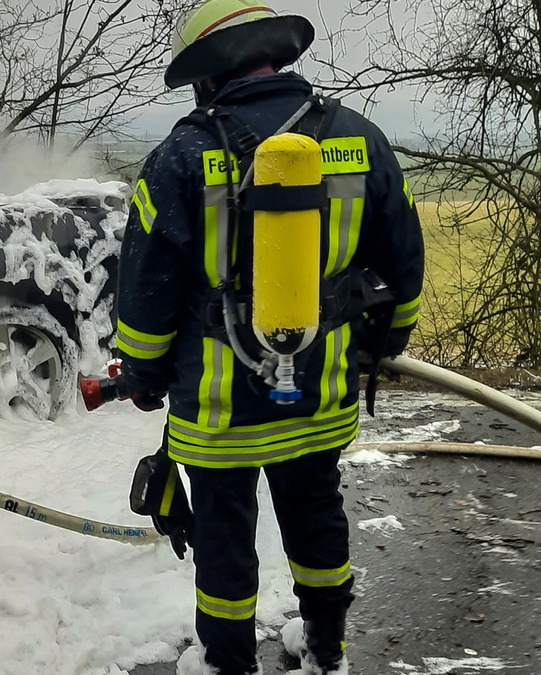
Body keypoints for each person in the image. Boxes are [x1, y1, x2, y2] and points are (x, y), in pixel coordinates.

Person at [114, 2, 425, 674]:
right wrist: (381, 344)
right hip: (319, 397)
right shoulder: (358, 137)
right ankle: (327, 647)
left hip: (219, 414)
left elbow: (145, 289)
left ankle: (229, 663)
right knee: (317, 516)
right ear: (276, 55)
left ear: (206, 74)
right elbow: (403, 263)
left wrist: (140, 374)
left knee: (225, 538)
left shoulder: (181, 154)